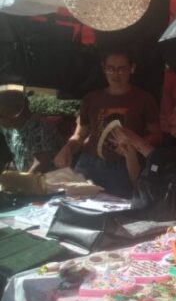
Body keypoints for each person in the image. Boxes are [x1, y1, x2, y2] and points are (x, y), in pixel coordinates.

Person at [53, 49, 160, 198]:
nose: (116, 74)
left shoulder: (144, 98)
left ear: (132, 68)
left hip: (124, 166)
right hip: (89, 163)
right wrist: (67, 148)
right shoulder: (91, 99)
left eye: (122, 69)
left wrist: (134, 142)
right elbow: (80, 134)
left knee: (118, 209)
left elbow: (157, 135)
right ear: (104, 68)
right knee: (75, 205)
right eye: (111, 68)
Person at [0, 85, 64, 173]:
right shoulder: (9, 128)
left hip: (49, 179)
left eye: (1, 114)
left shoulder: (39, 127)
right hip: (27, 177)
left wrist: (23, 180)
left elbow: (42, 163)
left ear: (15, 111)